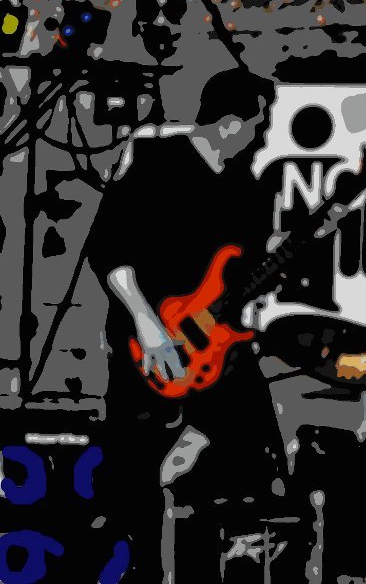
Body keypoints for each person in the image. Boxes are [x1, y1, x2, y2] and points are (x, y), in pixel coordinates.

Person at [86, 66, 287, 582]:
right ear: (229, 123)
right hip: (148, 342)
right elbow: (108, 250)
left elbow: (242, 275)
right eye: (258, 125)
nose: (262, 137)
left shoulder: (247, 189)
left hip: (215, 348)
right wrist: (146, 324)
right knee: (132, 471)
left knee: (250, 446)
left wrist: (276, 265)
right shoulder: (158, 164)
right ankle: (135, 564)